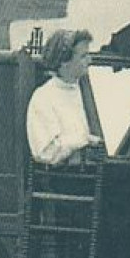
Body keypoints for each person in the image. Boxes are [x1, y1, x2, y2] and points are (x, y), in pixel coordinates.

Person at [26, 28, 102, 165]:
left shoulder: (83, 91)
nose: (89, 60)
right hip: (62, 180)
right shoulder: (43, 98)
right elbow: (46, 152)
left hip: (89, 174)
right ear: (64, 62)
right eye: (83, 56)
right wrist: (83, 140)